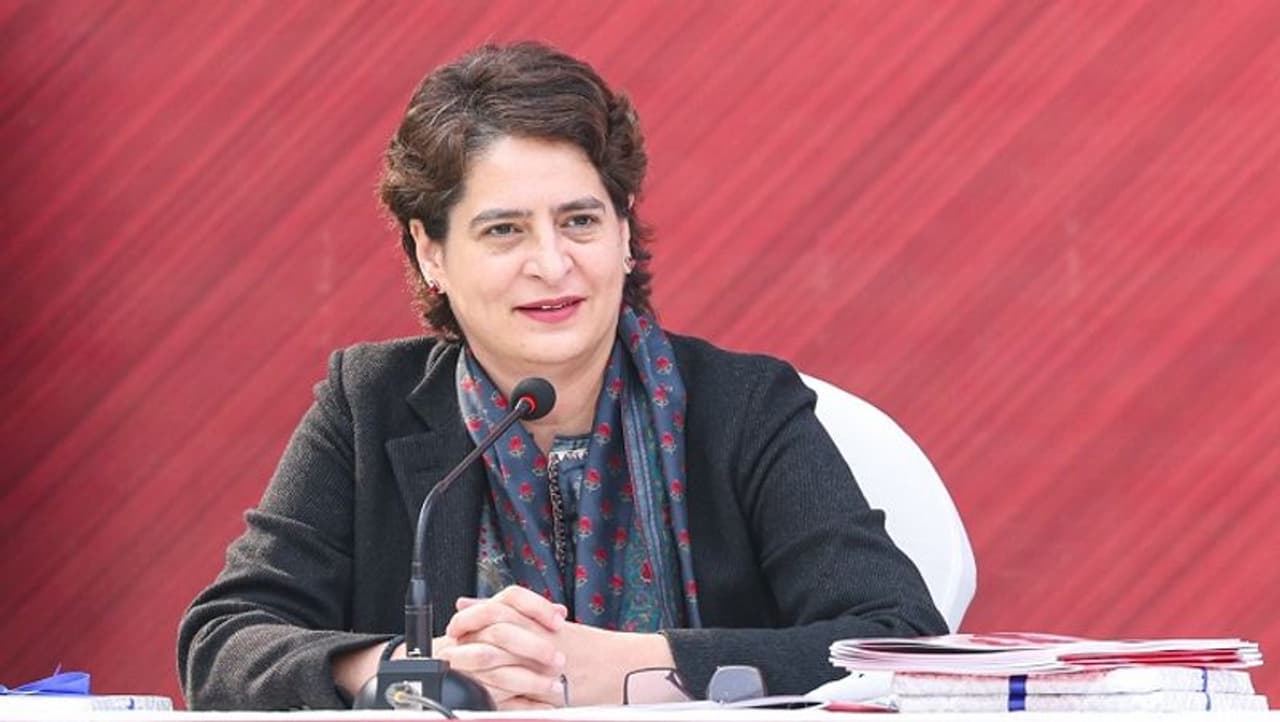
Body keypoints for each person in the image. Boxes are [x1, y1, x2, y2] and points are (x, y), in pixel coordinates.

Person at [177, 41, 947, 711]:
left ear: (624, 232)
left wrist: (630, 667)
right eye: (504, 230)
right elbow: (222, 643)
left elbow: (902, 641)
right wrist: (411, 671)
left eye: (579, 220)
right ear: (430, 252)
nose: (551, 264)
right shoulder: (369, 404)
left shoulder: (743, 405)